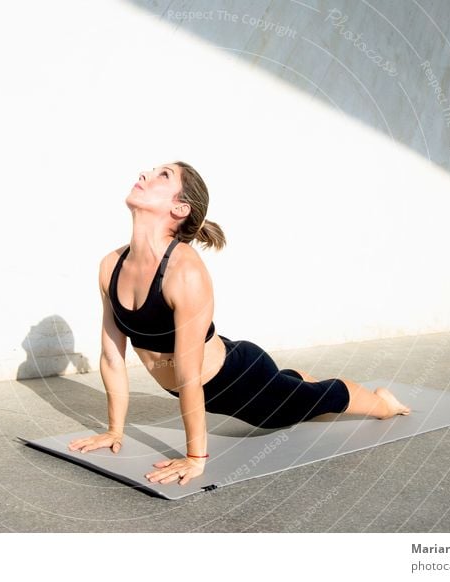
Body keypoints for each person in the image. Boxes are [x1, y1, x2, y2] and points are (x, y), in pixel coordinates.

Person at [68, 161, 410, 486]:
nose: (146, 173)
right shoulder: (110, 265)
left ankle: (382, 403)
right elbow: (112, 357)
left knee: (307, 405)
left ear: (180, 208)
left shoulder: (184, 271)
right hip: (212, 371)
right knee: (296, 393)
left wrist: (195, 458)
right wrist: (114, 430)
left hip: (239, 380)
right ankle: (296, 382)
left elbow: (189, 375)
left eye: (163, 175)